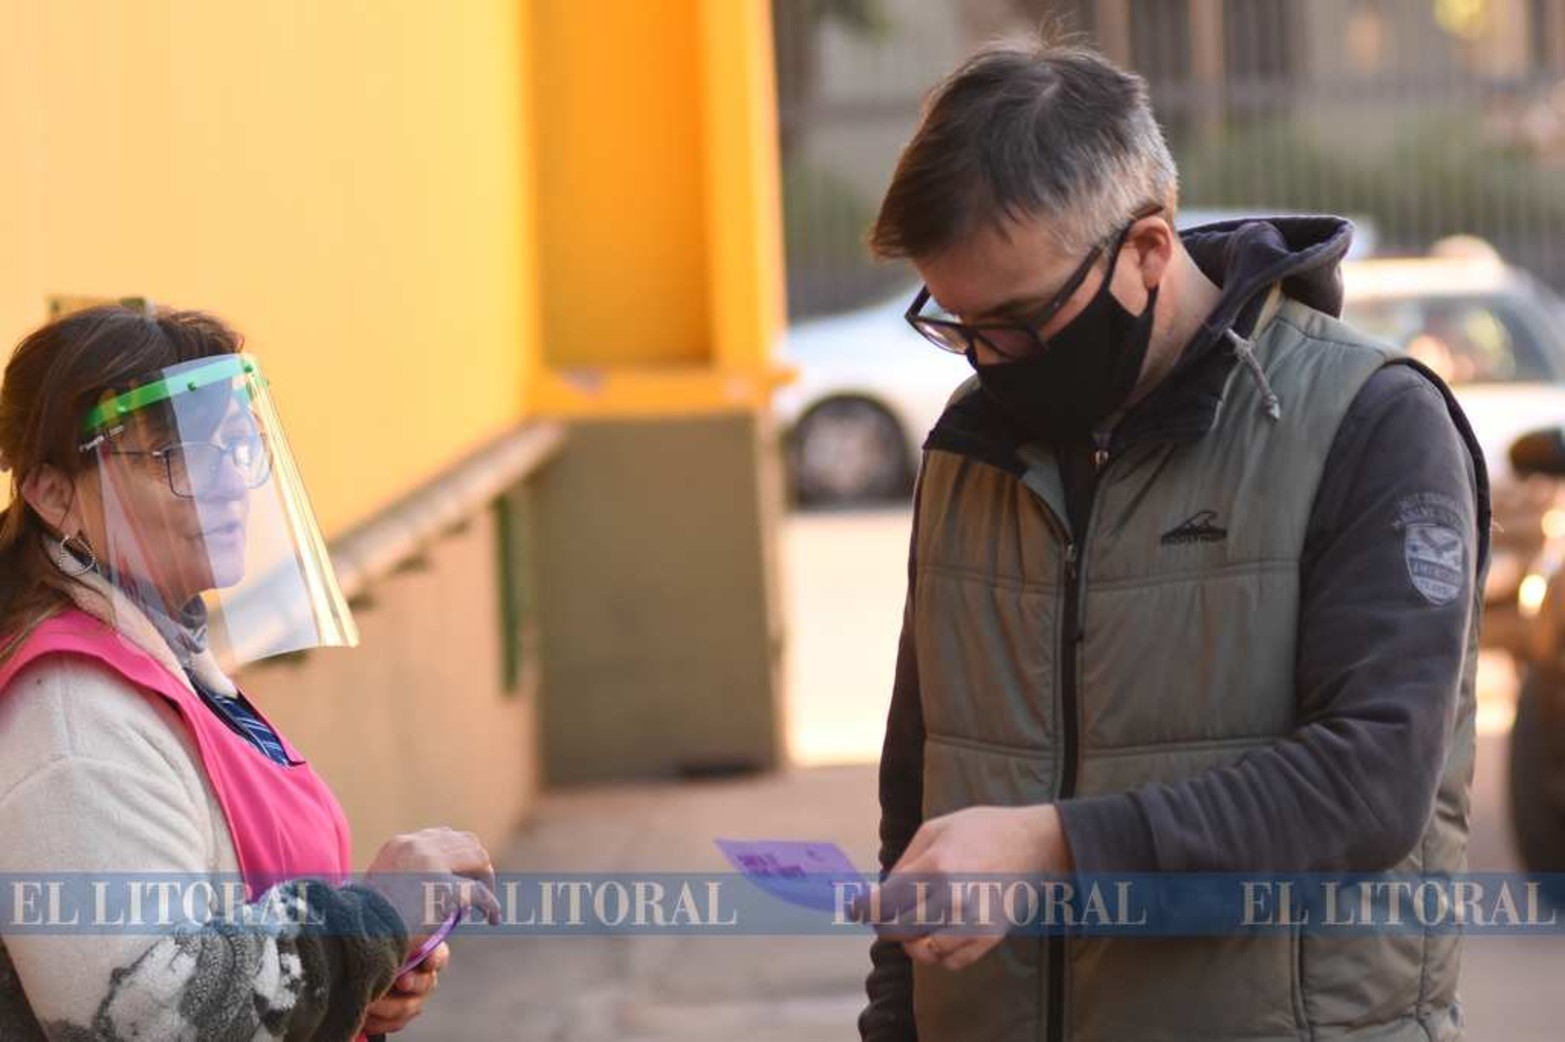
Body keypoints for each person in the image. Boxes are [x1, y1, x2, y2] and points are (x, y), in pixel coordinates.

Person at [857, 38, 1489, 1042]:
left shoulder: (1367, 423)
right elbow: (923, 776)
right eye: (956, 323)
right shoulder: (972, 443)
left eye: (1016, 318)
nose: (986, 359)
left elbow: (1370, 782)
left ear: (1148, 249)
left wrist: (1054, 846)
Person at [0, 304, 500, 1040]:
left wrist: (354, 980)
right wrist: (372, 921)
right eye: (175, 457)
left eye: (234, 447)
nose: (227, 483)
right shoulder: (73, 716)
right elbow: (147, 1016)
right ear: (51, 493)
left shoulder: (163, 656)